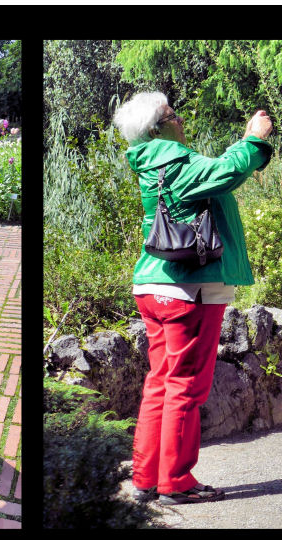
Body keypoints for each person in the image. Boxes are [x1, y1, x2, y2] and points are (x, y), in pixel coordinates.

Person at [112, 92, 273, 505]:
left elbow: (212, 173)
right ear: (156, 128)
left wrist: (241, 145)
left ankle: (147, 479)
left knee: (160, 385)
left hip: (154, 286)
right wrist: (253, 140)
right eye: (173, 114)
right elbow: (226, 172)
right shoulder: (172, 158)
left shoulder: (157, 159)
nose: (180, 119)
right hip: (190, 289)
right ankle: (176, 482)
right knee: (185, 386)